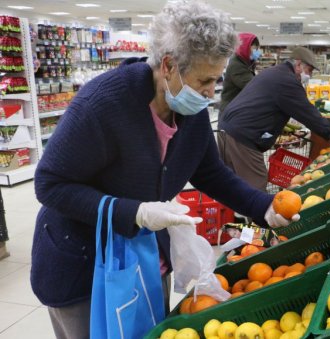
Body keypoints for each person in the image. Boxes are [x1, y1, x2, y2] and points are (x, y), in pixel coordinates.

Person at [31, 3, 297, 338]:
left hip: (146, 257)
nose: (210, 92)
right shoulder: (103, 105)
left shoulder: (189, 107)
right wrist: (134, 211)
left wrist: (263, 207)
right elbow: (50, 184)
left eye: (217, 79)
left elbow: (210, 172)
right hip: (85, 268)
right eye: (205, 79)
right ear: (169, 65)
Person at [218, 47, 330, 192]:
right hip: (243, 136)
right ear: (298, 65)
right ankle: (256, 215)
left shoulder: (274, 72)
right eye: (309, 70)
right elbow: (306, 111)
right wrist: (329, 134)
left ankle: (234, 214)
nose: (309, 75)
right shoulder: (287, 81)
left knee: (233, 185)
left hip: (228, 129)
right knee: (257, 185)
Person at [219, 32, 260, 115]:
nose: (257, 52)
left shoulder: (245, 62)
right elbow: (252, 86)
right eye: (255, 49)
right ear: (246, 47)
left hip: (237, 108)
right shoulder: (237, 65)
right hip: (231, 112)